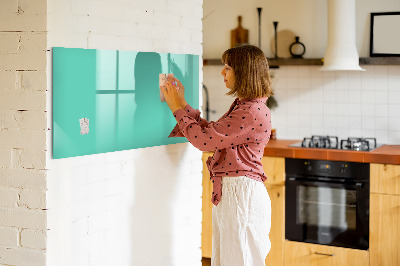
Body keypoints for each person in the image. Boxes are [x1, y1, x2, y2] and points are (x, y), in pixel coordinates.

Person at [161, 44, 273, 266]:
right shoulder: (246, 106)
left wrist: (176, 108)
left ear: (244, 72)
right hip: (236, 193)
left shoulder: (250, 111)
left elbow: (204, 141)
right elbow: (212, 133)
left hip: (241, 195)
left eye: (228, 67)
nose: (222, 72)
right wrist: (182, 103)